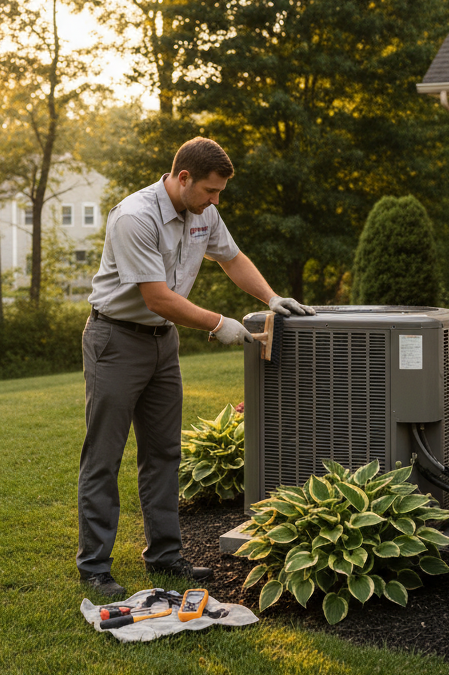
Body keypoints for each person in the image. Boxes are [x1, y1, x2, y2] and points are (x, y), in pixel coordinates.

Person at [77, 137, 315, 599]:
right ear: (182, 177)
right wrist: (219, 323)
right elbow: (157, 297)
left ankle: (165, 557)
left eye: (219, 193)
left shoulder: (203, 211)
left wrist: (270, 298)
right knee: (104, 456)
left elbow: (231, 258)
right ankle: (95, 567)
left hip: (163, 342)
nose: (215, 202)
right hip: (116, 340)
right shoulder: (134, 217)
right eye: (210, 191)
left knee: (164, 453)